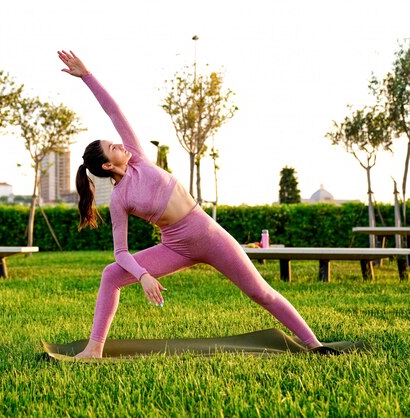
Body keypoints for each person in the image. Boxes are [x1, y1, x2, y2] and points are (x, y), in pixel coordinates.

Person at [58, 50, 331, 358]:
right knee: (110, 274)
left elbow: (114, 111)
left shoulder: (137, 156)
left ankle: (315, 344)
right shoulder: (120, 199)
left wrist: (87, 76)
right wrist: (143, 275)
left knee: (261, 292)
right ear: (107, 166)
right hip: (175, 247)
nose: (118, 144)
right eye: (111, 147)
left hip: (209, 235)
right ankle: (94, 349)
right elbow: (120, 252)